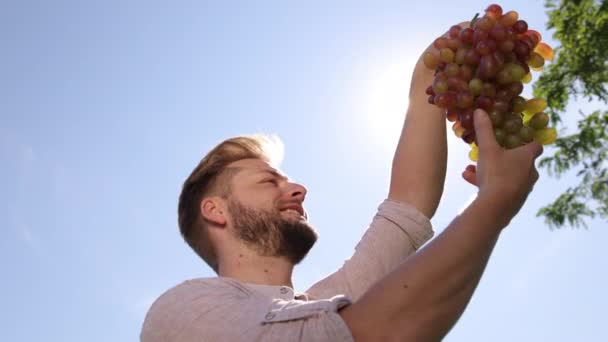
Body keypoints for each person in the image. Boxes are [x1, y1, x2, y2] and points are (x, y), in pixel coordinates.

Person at [140, 23, 543, 341]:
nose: (298, 190)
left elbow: (409, 205)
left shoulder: (330, 299)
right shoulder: (186, 310)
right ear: (215, 210)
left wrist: (427, 79)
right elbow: (370, 336)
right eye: (268, 181)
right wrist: (492, 206)